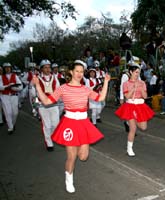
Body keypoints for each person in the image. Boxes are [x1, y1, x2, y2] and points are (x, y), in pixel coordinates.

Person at [31, 60, 110, 193]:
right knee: (71, 157)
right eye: (77, 71)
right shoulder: (63, 88)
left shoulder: (86, 89)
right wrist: (38, 85)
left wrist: (106, 82)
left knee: (83, 156)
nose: (79, 74)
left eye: (81, 71)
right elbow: (45, 101)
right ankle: (69, 180)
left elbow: (101, 98)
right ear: (71, 72)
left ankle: (77, 150)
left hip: (84, 123)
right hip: (70, 123)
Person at [115, 64, 155, 157]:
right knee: (133, 129)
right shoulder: (126, 84)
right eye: (136, 72)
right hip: (130, 105)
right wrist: (133, 88)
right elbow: (127, 96)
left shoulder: (142, 83)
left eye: (139, 72)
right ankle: (129, 148)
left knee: (144, 127)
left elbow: (145, 97)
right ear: (130, 72)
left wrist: (141, 88)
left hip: (140, 106)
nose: (137, 74)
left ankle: (131, 120)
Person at [34, 59, 60, 151]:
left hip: (53, 104)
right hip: (43, 106)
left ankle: (51, 136)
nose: (48, 69)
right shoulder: (37, 79)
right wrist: (36, 105)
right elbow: (34, 94)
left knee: (55, 124)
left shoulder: (54, 78)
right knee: (47, 125)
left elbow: (58, 89)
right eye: (45, 67)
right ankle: (49, 143)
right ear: (41, 69)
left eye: (49, 67)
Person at [0, 62, 23, 134]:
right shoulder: (0, 77)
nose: (7, 69)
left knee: (15, 113)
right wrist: (7, 86)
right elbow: (0, 87)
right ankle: (10, 127)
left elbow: (20, 87)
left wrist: (13, 88)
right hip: (4, 96)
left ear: (11, 68)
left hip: (14, 96)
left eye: (9, 67)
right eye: (6, 68)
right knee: (8, 112)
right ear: (4, 69)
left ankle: (13, 124)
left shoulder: (15, 76)